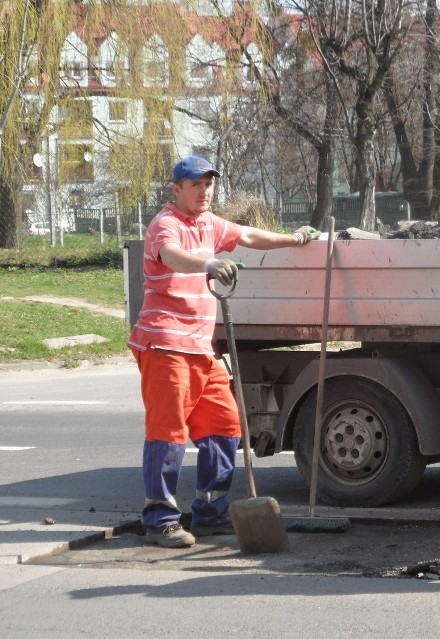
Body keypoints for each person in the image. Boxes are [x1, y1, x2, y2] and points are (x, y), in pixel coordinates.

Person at [128, 156, 320, 548]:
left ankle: (210, 513)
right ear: (176, 189)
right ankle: (161, 520)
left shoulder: (210, 224)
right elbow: (172, 256)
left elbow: (249, 235)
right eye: (195, 184)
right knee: (168, 433)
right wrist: (210, 263)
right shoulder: (165, 225)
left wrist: (294, 239)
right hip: (165, 343)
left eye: (208, 184)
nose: (204, 191)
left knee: (225, 426)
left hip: (200, 347)